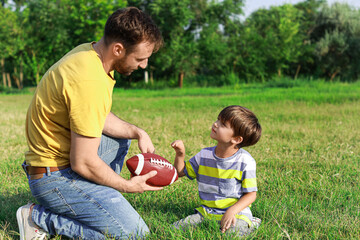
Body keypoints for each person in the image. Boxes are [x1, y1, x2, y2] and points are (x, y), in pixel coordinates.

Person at [16, 7, 163, 240]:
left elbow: (96, 115)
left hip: (55, 165)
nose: (144, 65)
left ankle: (96, 200)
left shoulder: (90, 54)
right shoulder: (89, 80)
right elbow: (83, 162)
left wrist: (138, 132)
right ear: (118, 49)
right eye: (140, 58)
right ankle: (39, 219)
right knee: (134, 234)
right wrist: (127, 185)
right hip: (53, 178)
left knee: (120, 139)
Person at [171, 105, 262, 237]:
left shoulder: (245, 161)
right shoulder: (204, 155)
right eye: (218, 119)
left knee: (232, 235)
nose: (215, 124)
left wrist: (231, 212)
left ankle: (251, 222)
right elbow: (180, 172)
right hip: (207, 212)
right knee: (175, 229)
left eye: (223, 124)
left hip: (237, 213)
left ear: (236, 139)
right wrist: (180, 154)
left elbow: (251, 195)